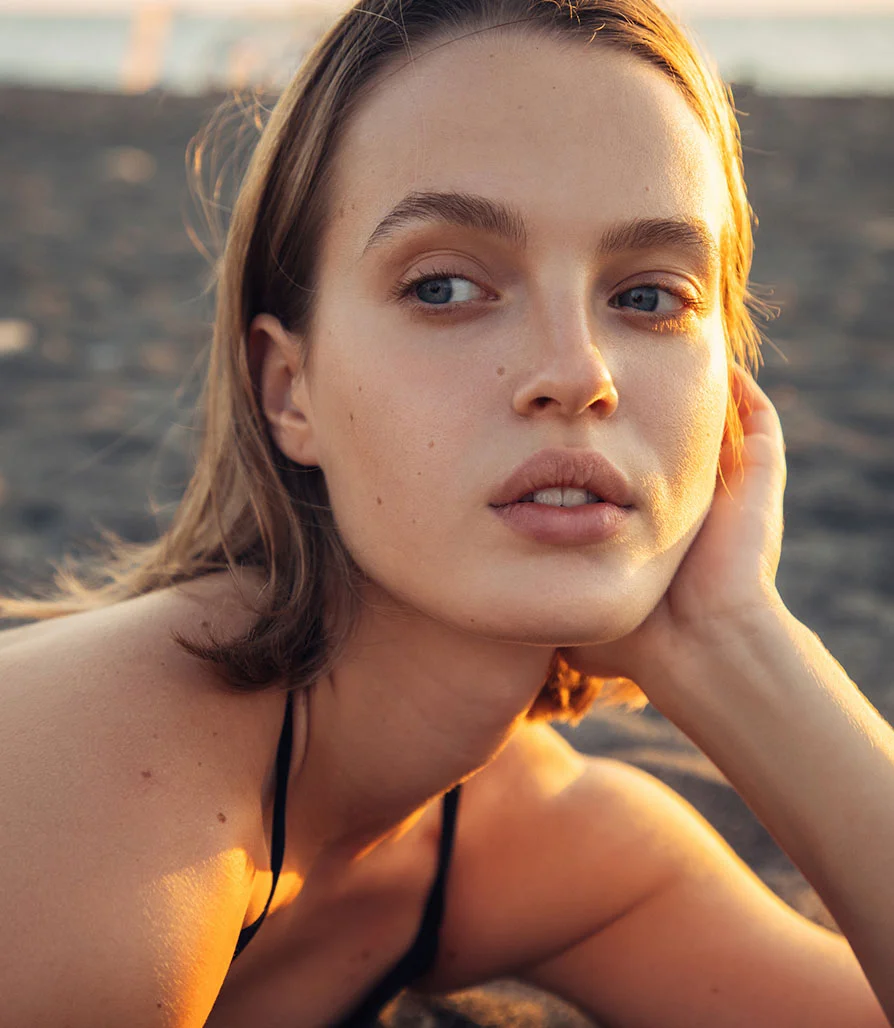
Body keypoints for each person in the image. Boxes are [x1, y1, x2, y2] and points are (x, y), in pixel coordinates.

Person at [1, 0, 892, 1025]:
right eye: (445, 286)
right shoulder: (104, 783)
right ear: (292, 390)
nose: (577, 374)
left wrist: (733, 638)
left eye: (649, 297)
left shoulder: (513, 836)